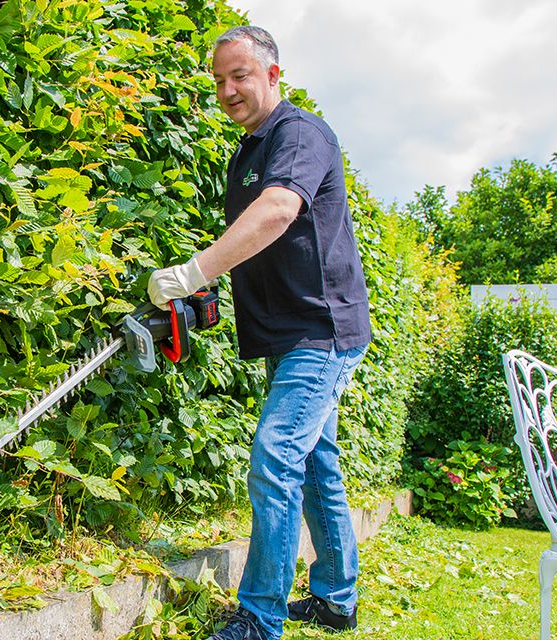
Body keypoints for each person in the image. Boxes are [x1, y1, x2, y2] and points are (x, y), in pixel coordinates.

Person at [147, 25, 372, 640]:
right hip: (286, 334)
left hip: (322, 332)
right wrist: (204, 289)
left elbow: (278, 211)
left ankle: (259, 616)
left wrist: (192, 269)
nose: (228, 89)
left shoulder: (300, 134)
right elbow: (251, 243)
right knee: (316, 462)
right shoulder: (246, 153)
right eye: (219, 79)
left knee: (275, 457)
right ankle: (335, 600)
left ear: (274, 74)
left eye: (240, 75)